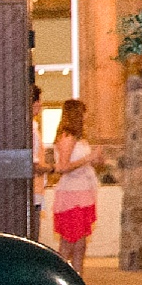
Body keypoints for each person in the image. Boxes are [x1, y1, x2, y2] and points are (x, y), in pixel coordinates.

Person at [50, 98, 98, 270]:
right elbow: (62, 167)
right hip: (71, 194)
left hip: (83, 192)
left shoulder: (79, 138)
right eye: (83, 114)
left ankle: (78, 281)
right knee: (69, 243)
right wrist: (88, 158)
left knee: (80, 244)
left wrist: (95, 159)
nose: (86, 118)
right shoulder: (67, 137)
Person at [31, 85, 52, 239]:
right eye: (39, 101)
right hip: (33, 188)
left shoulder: (33, 127)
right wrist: (52, 168)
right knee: (33, 232)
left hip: (36, 188)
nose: (41, 105)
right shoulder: (31, 130)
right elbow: (34, 165)